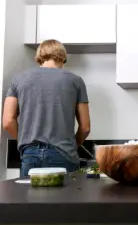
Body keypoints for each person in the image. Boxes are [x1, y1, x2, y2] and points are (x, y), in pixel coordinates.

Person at [2, 39, 91, 177]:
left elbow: (7, 122)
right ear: (63, 57)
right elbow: (85, 128)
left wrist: (25, 143)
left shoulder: (18, 80)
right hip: (64, 154)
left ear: (39, 57)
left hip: (30, 155)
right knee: (64, 198)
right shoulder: (76, 81)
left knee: (32, 197)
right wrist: (72, 147)